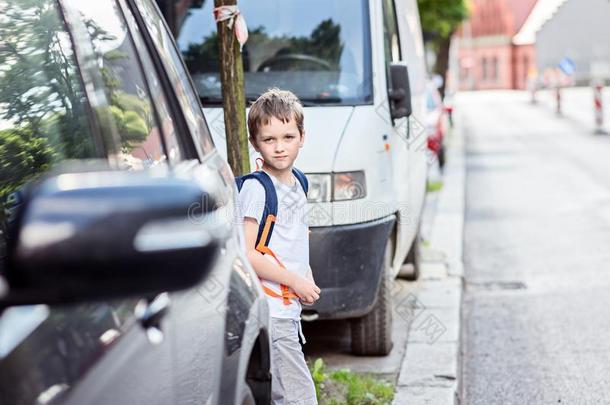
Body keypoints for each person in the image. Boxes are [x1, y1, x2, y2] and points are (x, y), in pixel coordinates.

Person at [238, 88, 320, 405]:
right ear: (255, 142)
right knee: (300, 398)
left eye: (288, 137)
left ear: (302, 136)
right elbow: (247, 253)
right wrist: (294, 281)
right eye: (269, 139)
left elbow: (294, 237)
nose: (280, 147)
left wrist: (305, 274)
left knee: (284, 395)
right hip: (271, 311)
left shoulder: (298, 182)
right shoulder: (258, 190)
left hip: (287, 308)